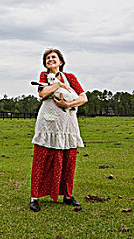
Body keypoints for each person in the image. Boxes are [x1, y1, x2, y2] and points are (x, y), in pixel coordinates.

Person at [30, 48, 88, 212]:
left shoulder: (70, 77)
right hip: (48, 124)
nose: (51, 59)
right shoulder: (43, 76)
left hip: (67, 124)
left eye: (54, 57)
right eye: (48, 58)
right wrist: (57, 85)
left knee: (68, 160)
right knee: (42, 158)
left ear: (61, 61)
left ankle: (67, 195)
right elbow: (43, 94)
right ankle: (35, 197)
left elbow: (83, 98)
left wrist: (68, 104)